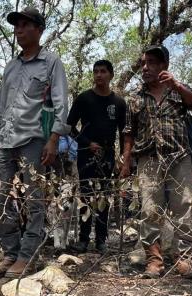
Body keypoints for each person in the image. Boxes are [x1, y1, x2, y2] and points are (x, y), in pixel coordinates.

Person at [0, 7, 70, 278]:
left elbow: (60, 101)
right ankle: (10, 251)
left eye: (25, 25)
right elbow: (0, 105)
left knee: (35, 200)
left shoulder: (51, 62)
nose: (19, 30)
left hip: (35, 140)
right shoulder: (11, 65)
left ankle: (28, 255)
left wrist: (54, 138)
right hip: (6, 142)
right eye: (17, 25)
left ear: (39, 29)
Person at [120, 45, 192, 279]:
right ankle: (154, 261)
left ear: (164, 66)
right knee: (149, 211)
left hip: (179, 158)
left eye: (153, 63)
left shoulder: (178, 91)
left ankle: (183, 259)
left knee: (183, 208)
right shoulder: (135, 98)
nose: (146, 67)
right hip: (149, 160)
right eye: (144, 63)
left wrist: (176, 85)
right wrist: (126, 163)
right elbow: (129, 132)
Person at [67, 59, 126, 255]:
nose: (99, 75)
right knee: (86, 196)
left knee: (104, 197)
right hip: (86, 154)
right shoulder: (84, 98)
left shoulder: (118, 103)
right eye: (95, 72)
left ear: (111, 75)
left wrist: (123, 158)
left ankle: (101, 240)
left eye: (103, 71)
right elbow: (69, 127)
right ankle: (83, 240)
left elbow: (124, 132)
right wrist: (86, 143)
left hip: (108, 154)